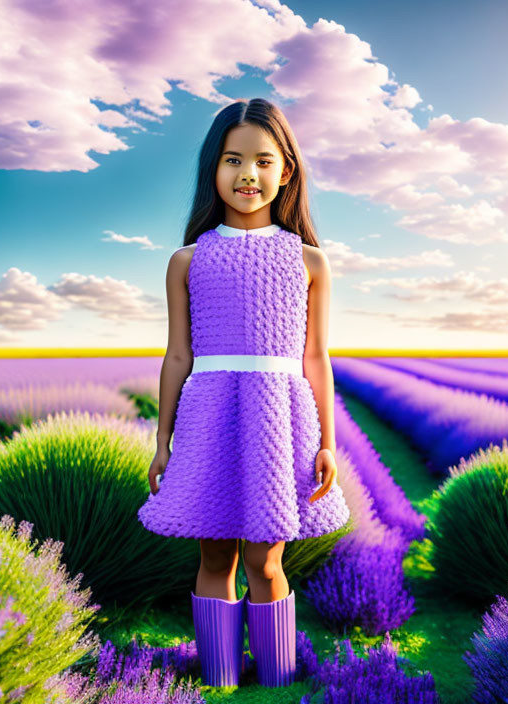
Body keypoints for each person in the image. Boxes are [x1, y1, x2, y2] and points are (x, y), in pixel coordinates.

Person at [137, 97, 350, 689]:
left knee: (266, 557)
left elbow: (315, 357)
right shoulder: (187, 260)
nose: (247, 175)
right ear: (213, 169)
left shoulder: (308, 260)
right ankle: (219, 676)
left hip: (278, 419)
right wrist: (163, 440)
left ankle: (278, 677)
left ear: (287, 171)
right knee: (214, 557)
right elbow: (178, 354)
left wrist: (327, 442)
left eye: (262, 160)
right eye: (232, 160)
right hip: (209, 415)